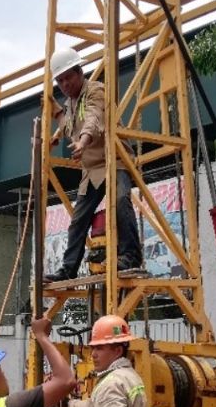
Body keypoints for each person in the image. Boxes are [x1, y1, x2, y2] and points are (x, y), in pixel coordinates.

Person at [44, 47, 143, 282]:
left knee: (120, 201)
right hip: (92, 170)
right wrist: (57, 128)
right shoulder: (70, 103)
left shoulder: (96, 91)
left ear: (80, 72)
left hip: (114, 160)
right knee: (79, 219)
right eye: (60, 80)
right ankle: (68, 269)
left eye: (68, 77)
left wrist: (83, 142)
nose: (65, 84)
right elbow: (70, 123)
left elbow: (93, 119)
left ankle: (130, 256)